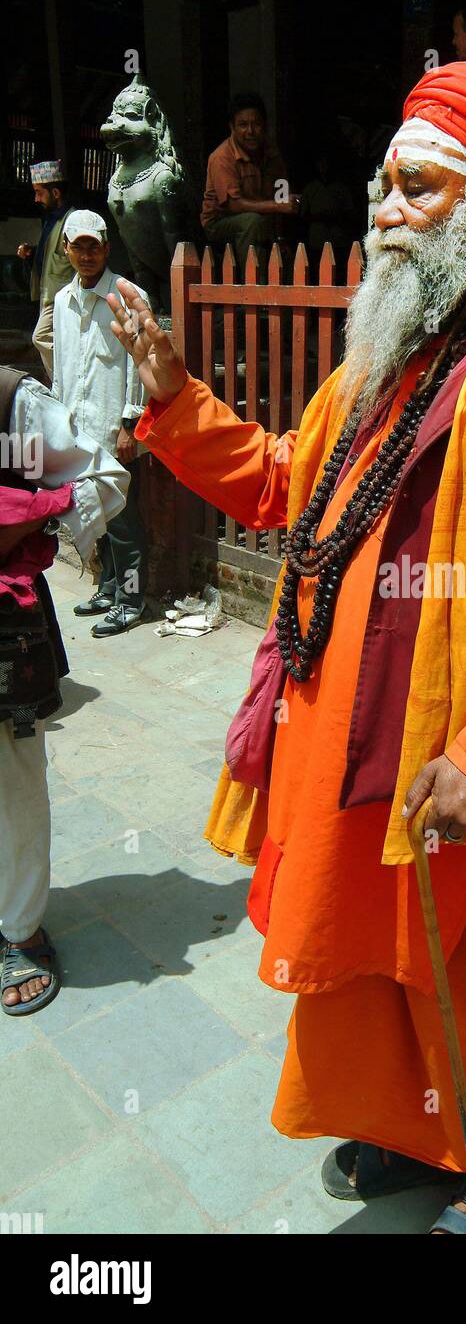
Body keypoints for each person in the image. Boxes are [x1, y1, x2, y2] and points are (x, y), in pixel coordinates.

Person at [109, 54, 466, 1234]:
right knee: (356, 945)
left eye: (414, 186)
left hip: (465, 741)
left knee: (464, 968)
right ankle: (406, 1132)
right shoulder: (383, 351)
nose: (382, 210)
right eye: (379, 187)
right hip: (341, 718)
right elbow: (288, 486)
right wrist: (176, 398)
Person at [0, 365, 128, 1014]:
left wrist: (30, 523)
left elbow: (102, 476)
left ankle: (19, 930)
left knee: (12, 777)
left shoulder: (9, 407)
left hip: (2, 623)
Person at [52, 210, 150, 636]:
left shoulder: (126, 295)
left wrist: (131, 424)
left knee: (123, 523)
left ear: (107, 248)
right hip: (77, 427)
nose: (87, 254)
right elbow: (61, 367)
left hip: (114, 430)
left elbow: (139, 365)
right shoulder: (61, 301)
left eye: (95, 246)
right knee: (97, 517)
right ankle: (109, 589)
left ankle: (131, 600)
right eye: (79, 246)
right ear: (67, 250)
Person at [201, 93, 300, 261]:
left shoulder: (273, 154)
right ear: (232, 128)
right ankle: (253, 280)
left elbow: (282, 199)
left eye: (256, 124)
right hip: (219, 223)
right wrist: (277, 206)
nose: (250, 131)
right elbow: (233, 205)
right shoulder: (221, 157)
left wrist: (281, 238)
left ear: (265, 126)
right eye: (243, 125)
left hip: (262, 221)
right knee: (251, 222)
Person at [16, 160, 75, 381]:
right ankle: (60, 384)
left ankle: (64, 381)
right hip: (47, 292)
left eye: (40, 193)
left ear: (56, 192)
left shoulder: (72, 220)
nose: (36, 199)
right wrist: (32, 252)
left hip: (60, 294)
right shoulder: (51, 219)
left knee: (40, 337)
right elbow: (52, 254)